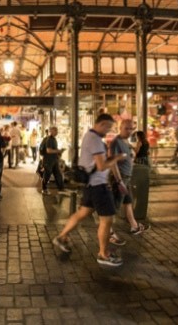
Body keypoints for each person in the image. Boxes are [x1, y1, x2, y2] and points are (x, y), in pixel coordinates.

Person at [51, 113, 127, 267]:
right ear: (102, 124)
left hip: (91, 185)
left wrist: (118, 179)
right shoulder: (95, 140)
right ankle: (103, 254)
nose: (108, 131)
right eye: (108, 127)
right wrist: (118, 157)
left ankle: (61, 236)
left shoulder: (90, 137)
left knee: (82, 213)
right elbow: (101, 166)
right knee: (106, 220)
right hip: (98, 186)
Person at [109, 120, 149, 236]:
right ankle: (108, 230)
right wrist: (119, 181)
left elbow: (131, 155)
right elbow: (113, 162)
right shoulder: (116, 142)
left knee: (128, 202)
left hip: (126, 178)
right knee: (115, 206)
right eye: (126, 128)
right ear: (120, 127)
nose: (129, 131)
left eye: (131, 129)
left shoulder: (125, 141)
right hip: (120, 178)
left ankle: (134, 226)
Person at [40, 126, 65, 195]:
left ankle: (61, 188)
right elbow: (48, 150)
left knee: (58, 174)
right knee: (47, 175)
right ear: (51, 131)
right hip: (48, 160)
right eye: (55, 130)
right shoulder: (49, 139)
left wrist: (58, 152)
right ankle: (44, 189)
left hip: (54, 160)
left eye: (57, 130)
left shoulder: (53, 139)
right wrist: (58, 151)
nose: (57, 132)